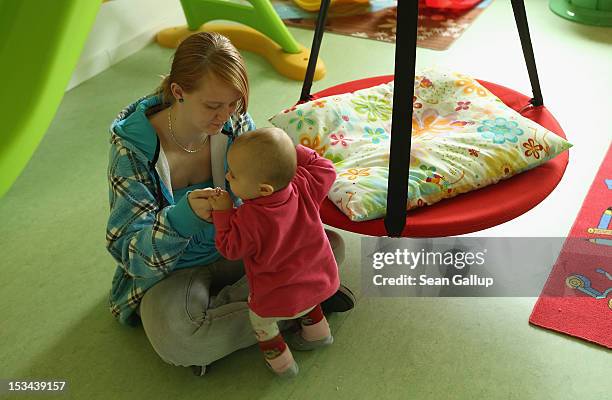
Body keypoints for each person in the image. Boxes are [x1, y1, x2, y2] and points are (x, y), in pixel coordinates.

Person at [104, 31, 355, 375]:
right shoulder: (131, 149)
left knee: (330, 245)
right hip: (177, 271)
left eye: (233, 103)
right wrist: (182, 218)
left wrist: (282, 157)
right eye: (212, 105)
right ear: (178, 92)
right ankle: (299, 305)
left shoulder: (233, 121)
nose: (225, 116)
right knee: (177, 337)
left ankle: (267, 313)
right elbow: (130, 254)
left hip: (245, 248)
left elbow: (272, 185)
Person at [205, 127, 338, 378]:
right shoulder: (303, 182)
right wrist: (289, 151)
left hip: (277, 297)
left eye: (233, 175)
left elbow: (229, 248)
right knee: (309, 302)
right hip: (318, 281)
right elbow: (327, 168)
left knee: (262, 325)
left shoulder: (248, 217)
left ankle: (282, 364)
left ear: (264, 189)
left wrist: (222, 213)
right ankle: (319, 334)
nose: (227, 175)